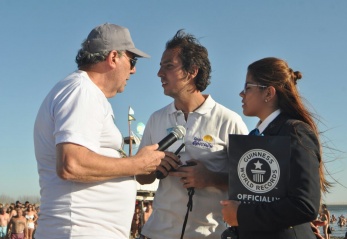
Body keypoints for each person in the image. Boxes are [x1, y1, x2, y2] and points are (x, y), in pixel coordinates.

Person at [33, 23, 165, 239]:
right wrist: (138, 164)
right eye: (132, 61)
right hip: (79, 231)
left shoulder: (82, 91)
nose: (134, 70)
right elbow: (72, 163)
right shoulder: (82, 91)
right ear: (113, 57)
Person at [136, 30, 249, 239]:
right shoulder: (156, 118)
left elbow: (250, 184)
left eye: (168, 66)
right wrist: (152, 166)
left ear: (192, 71)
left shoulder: (229, 121)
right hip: (154, 234)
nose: (159, 73)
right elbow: (141, 178)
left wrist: (211, 178)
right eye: (160, 66)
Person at [220, 57, 330, 239]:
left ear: (268, 93)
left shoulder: (294, 131)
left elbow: (305, 204)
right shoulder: (258, 135)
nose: (241, 93)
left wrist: (241, 214)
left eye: (248, 87)